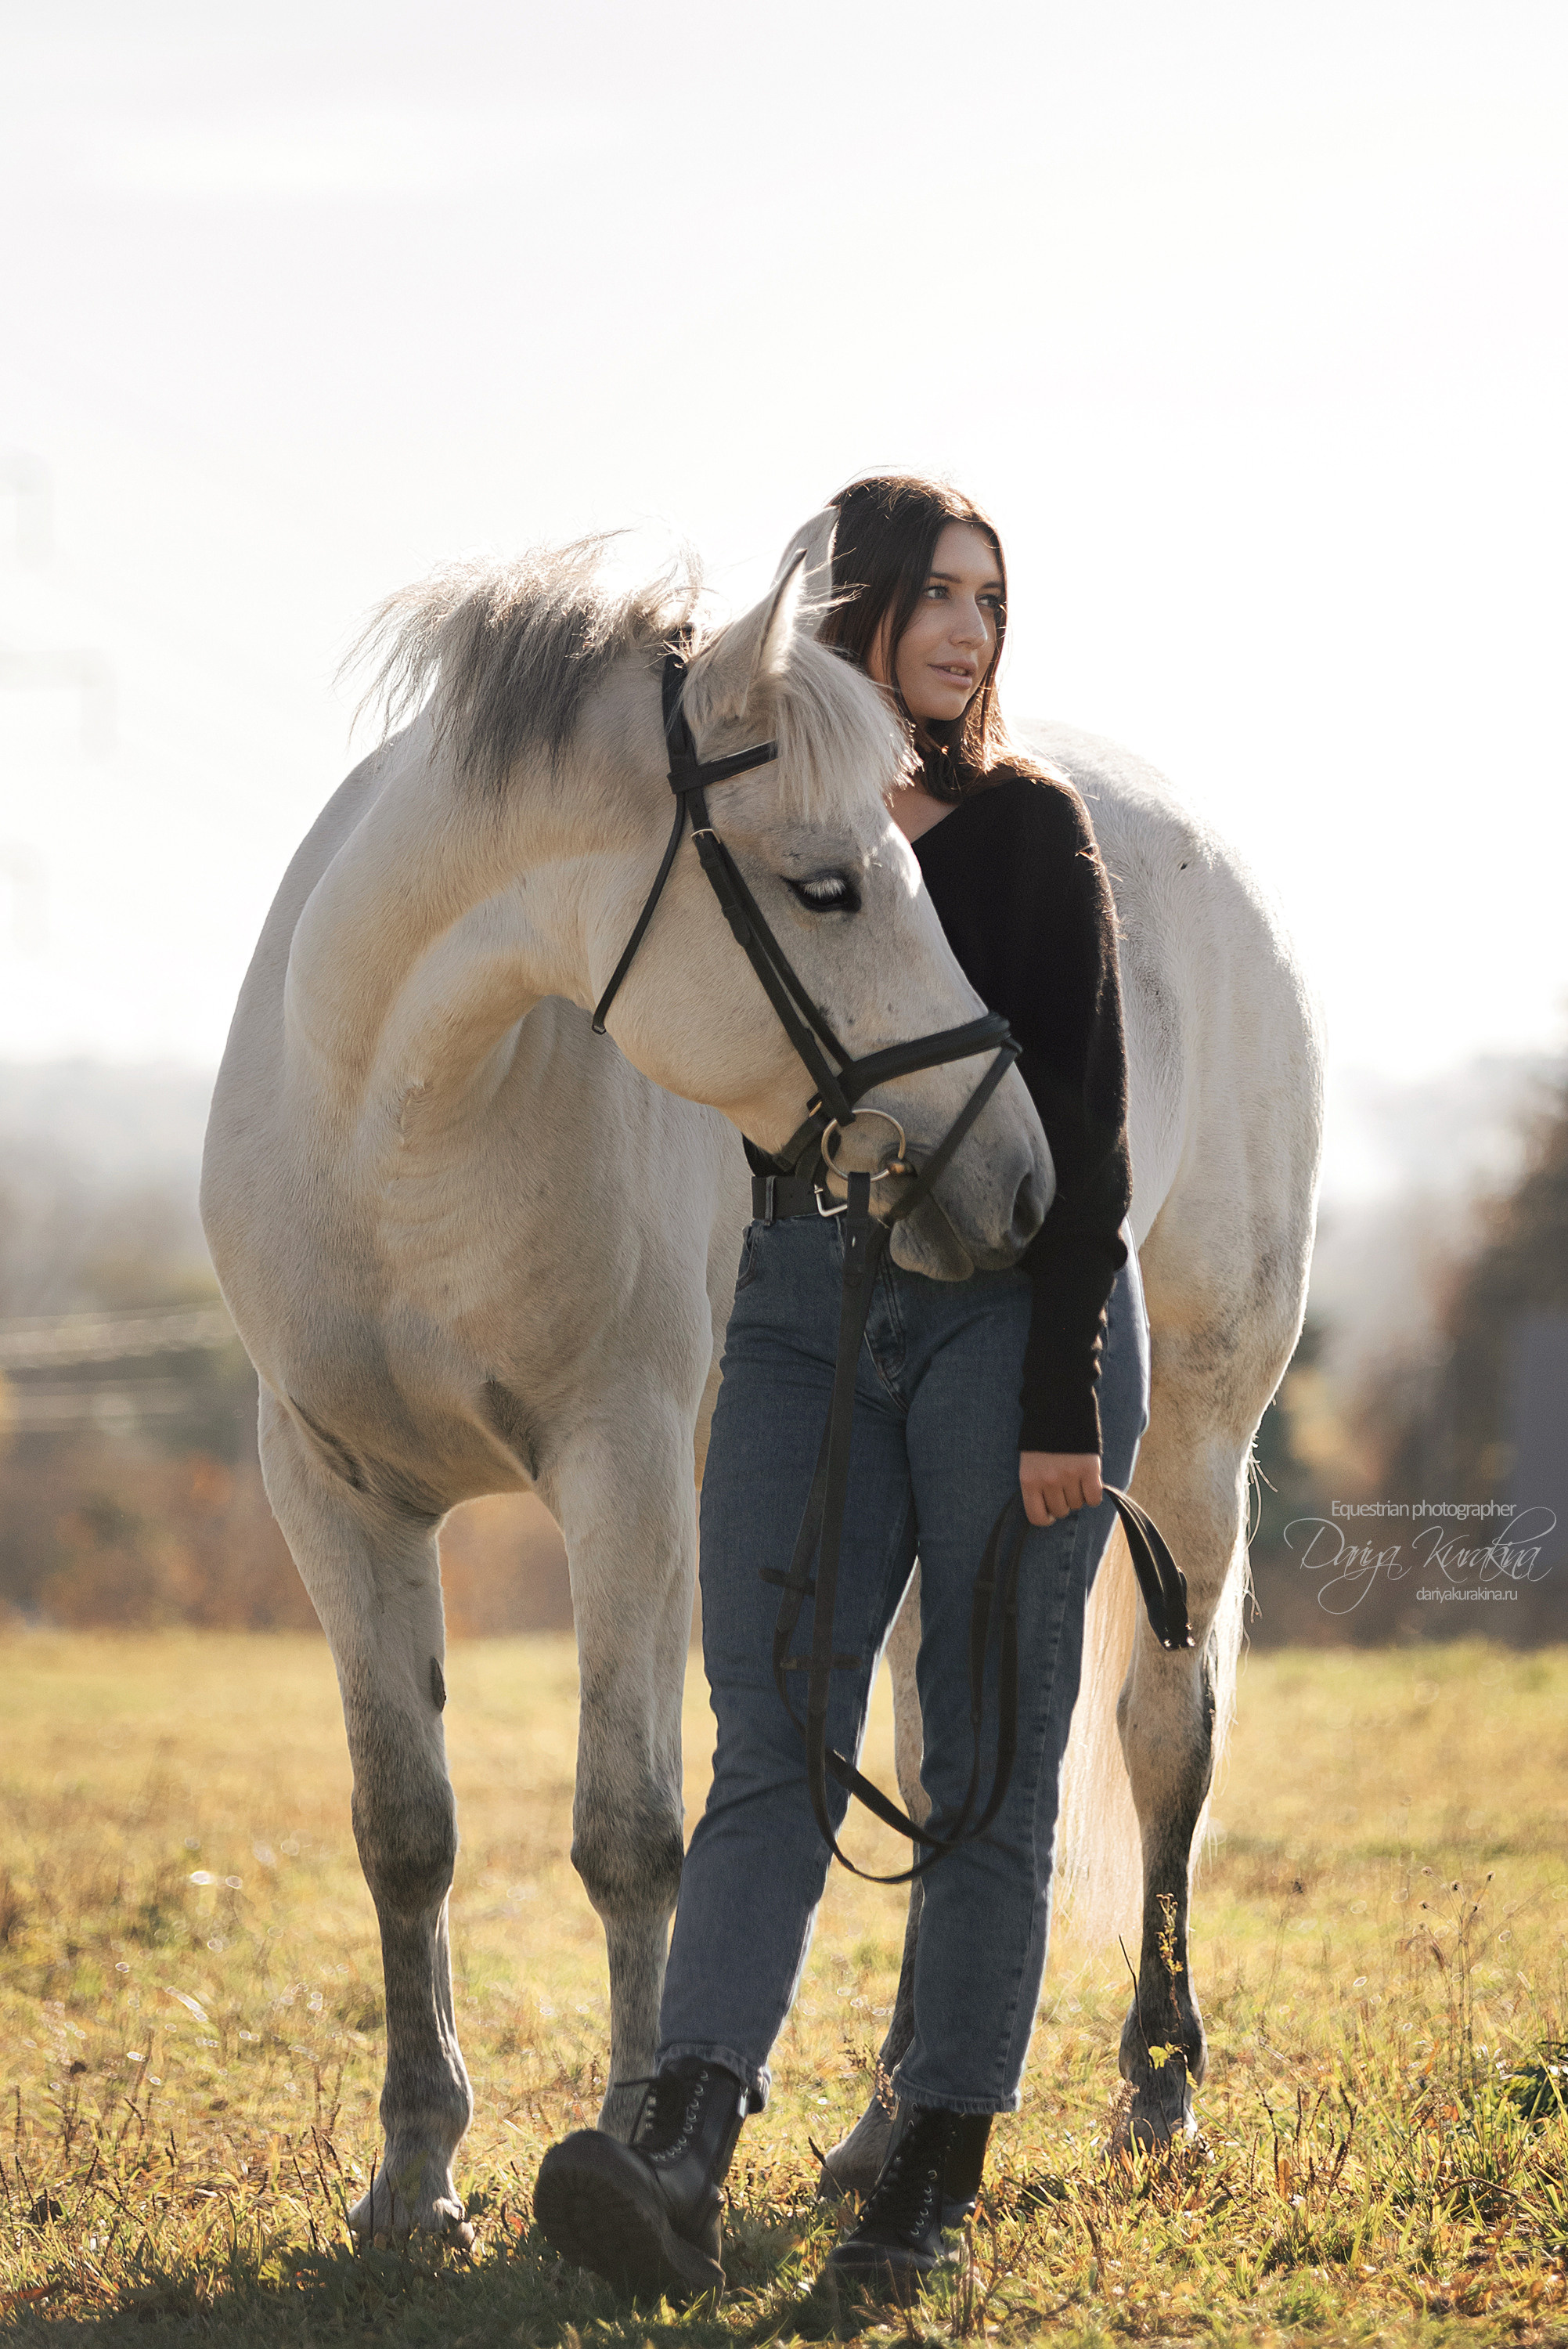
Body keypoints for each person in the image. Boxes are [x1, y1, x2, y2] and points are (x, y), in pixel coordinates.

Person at [535, 475, 1149, 2305]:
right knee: (773, 1741)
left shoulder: (1031, 834)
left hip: (1010, 1321)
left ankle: (923, 2189)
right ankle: (683, 2147)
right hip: (803, 1298)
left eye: (989, 600)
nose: (967, 630)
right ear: (855, 608)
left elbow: (1090, 1142)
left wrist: (1063, 1400)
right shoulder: (772, 824)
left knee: (981, 1766)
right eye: (935, 594)